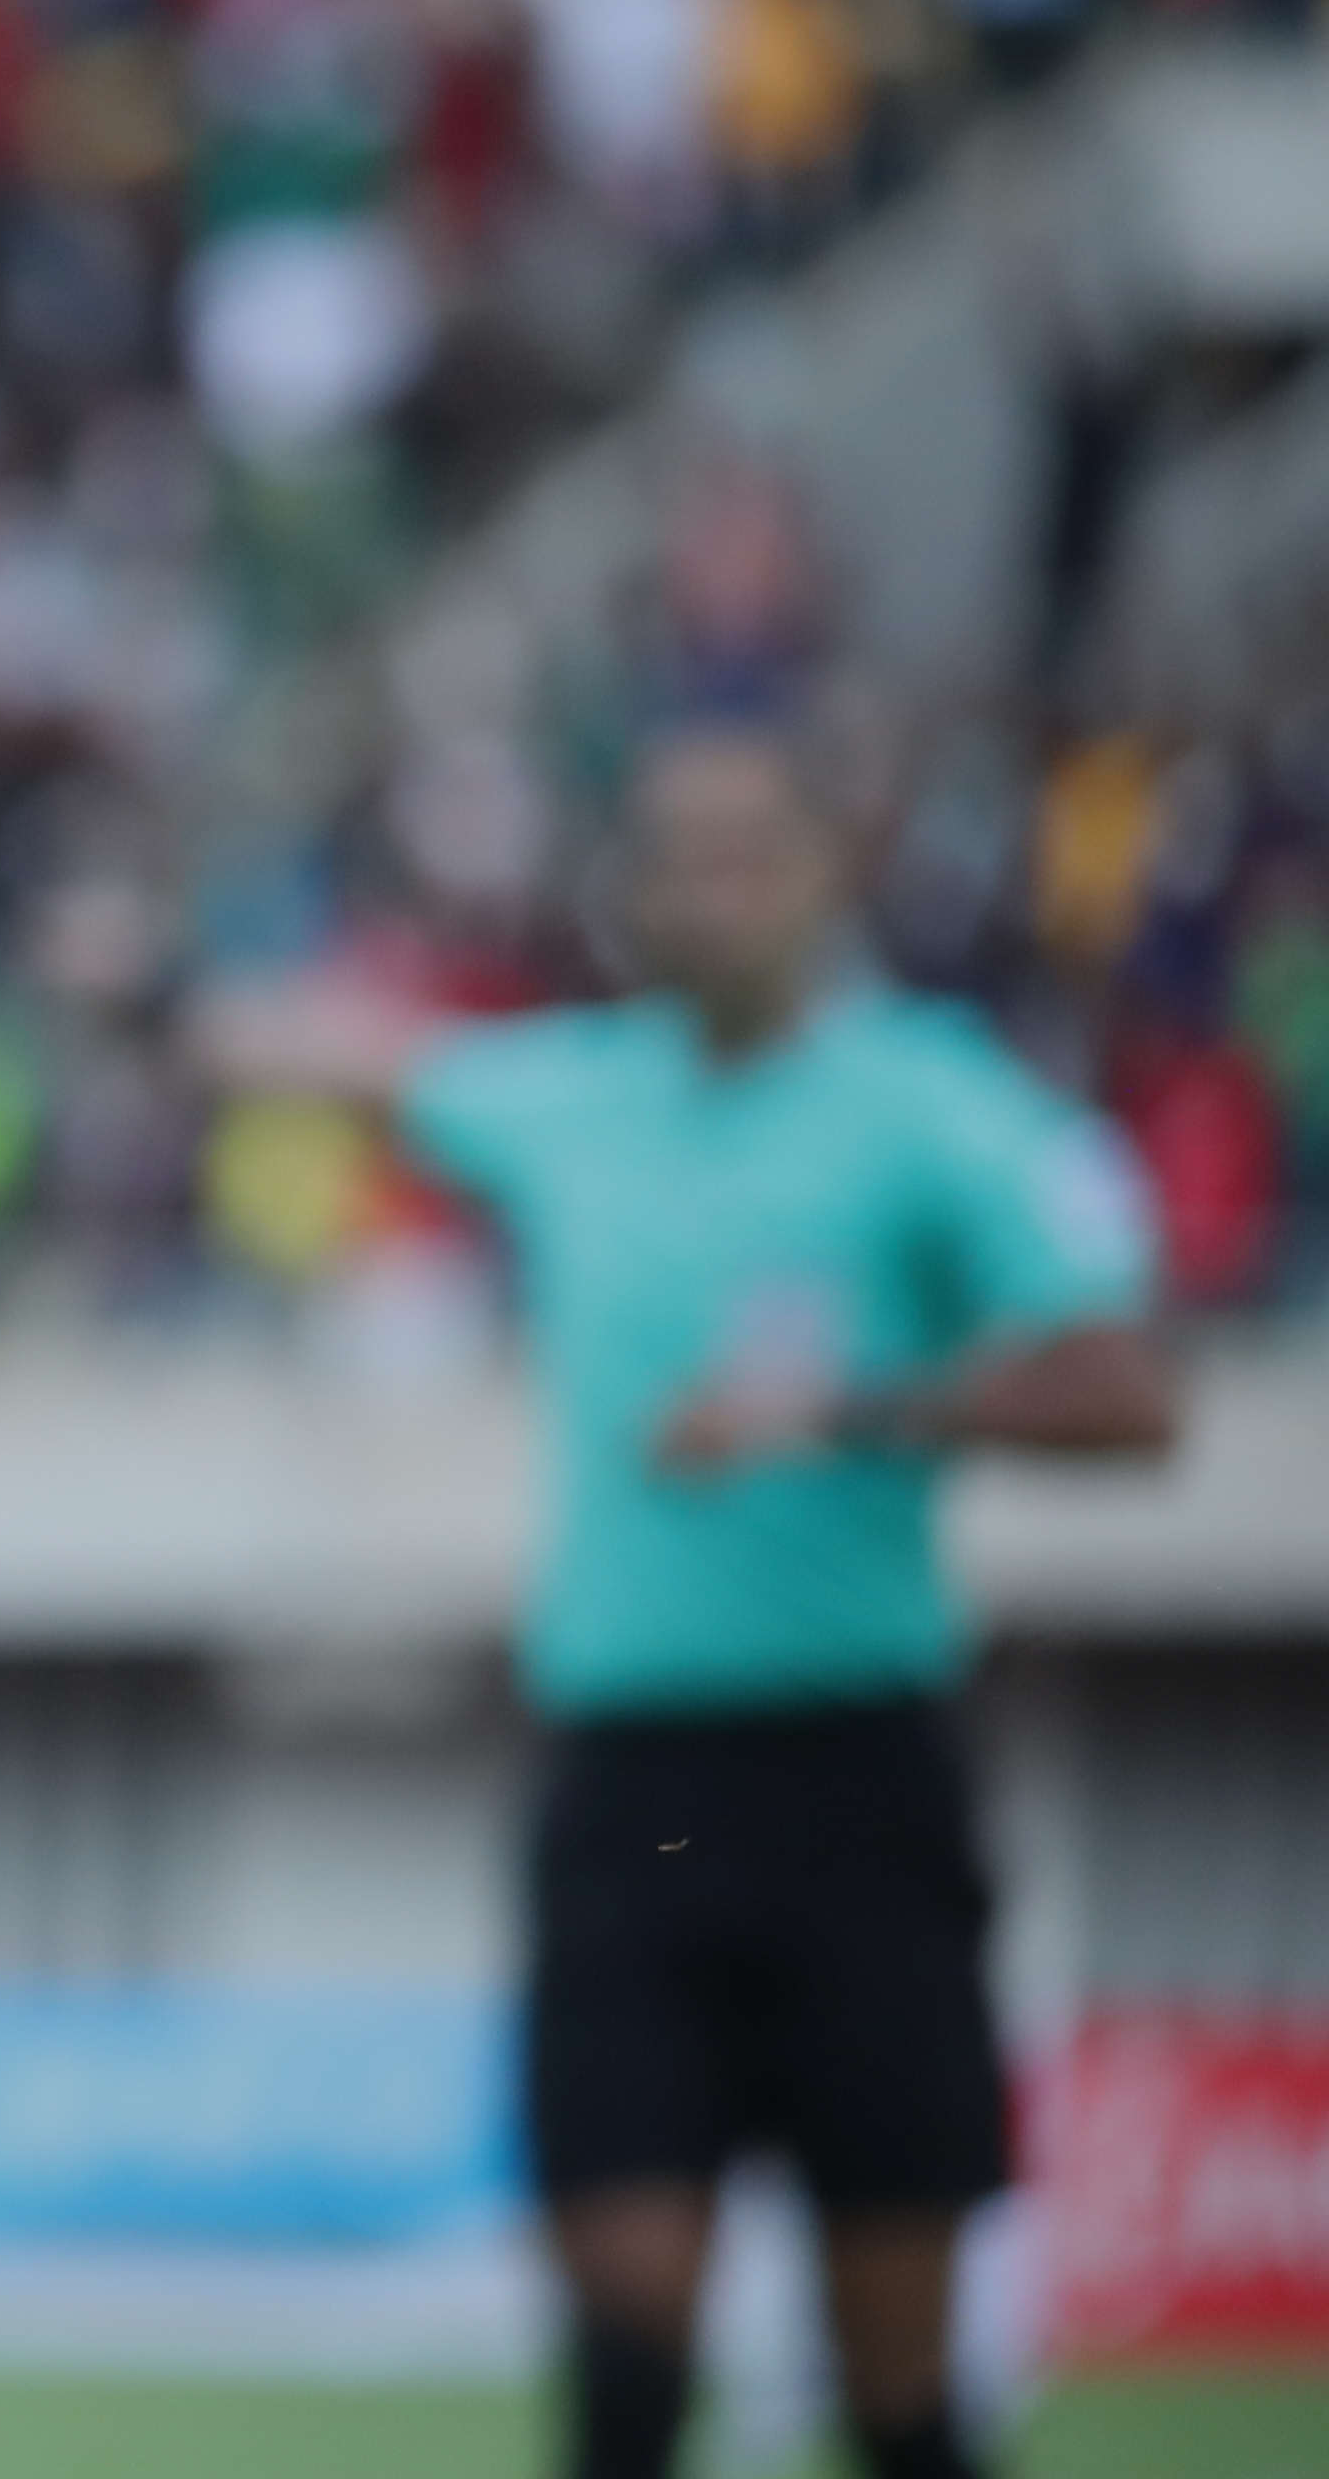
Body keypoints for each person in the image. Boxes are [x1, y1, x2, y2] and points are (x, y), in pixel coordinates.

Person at [395, 719, 1180, 2479]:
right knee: (621, 2328)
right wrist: (142, 988)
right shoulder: (569, 1088)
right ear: (632, 885)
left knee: (893, 2370)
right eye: (674, 849)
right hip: (623, 1788)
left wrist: (849, 1405)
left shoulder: (939, 1102)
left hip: (853, 1780)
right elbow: (374, 1061)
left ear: (824, 870)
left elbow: (1133, 1393)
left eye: (747, 847)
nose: (708, 884)